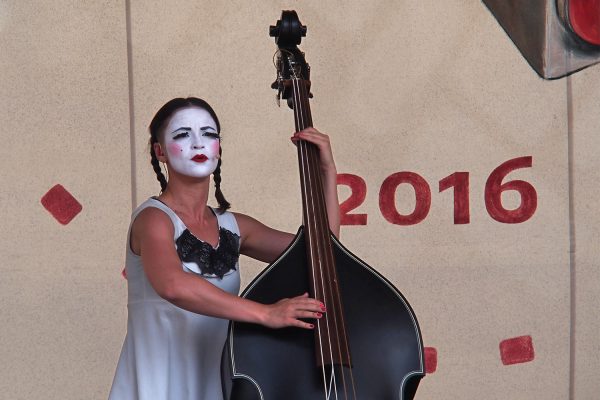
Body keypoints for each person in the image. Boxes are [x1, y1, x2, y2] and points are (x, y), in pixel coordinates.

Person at [109, 97, 340, 400]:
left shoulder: (234, 226)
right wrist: (266, 313)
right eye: (182, 135)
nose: (197, 143)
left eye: (209, 134)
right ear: (160, 151)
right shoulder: (153, 219)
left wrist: (327, 171)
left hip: (218, 385)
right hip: (159, 386)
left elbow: (324, 252)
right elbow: (173, 285)